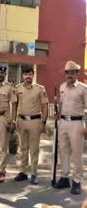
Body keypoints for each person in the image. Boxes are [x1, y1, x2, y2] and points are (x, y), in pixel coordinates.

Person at [54, 61, 87, 195]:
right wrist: (58, 114)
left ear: (77, 74)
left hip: (77, 123)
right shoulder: (62, 87)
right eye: (67, 72)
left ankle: (77, 181)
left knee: (76, 154)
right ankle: (64, 177)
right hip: (63, 122)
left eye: (72, 72)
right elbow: (61, 103)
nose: (69, 75)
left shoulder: (83, 88)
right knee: (63, 151)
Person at [12, 67, 48, 185]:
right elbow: (14, 105)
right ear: (23, 76)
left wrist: (43, 122)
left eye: (30, 74)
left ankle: (34, 173)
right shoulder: (18, 88)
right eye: (26, 74)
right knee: (22, 148)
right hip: (21, 120)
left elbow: (45, 106)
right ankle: (23, 172)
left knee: (34, 149)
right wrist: (14, 120)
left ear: (33, 75)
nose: (28, 76)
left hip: (35, 121)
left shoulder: (40, 89)